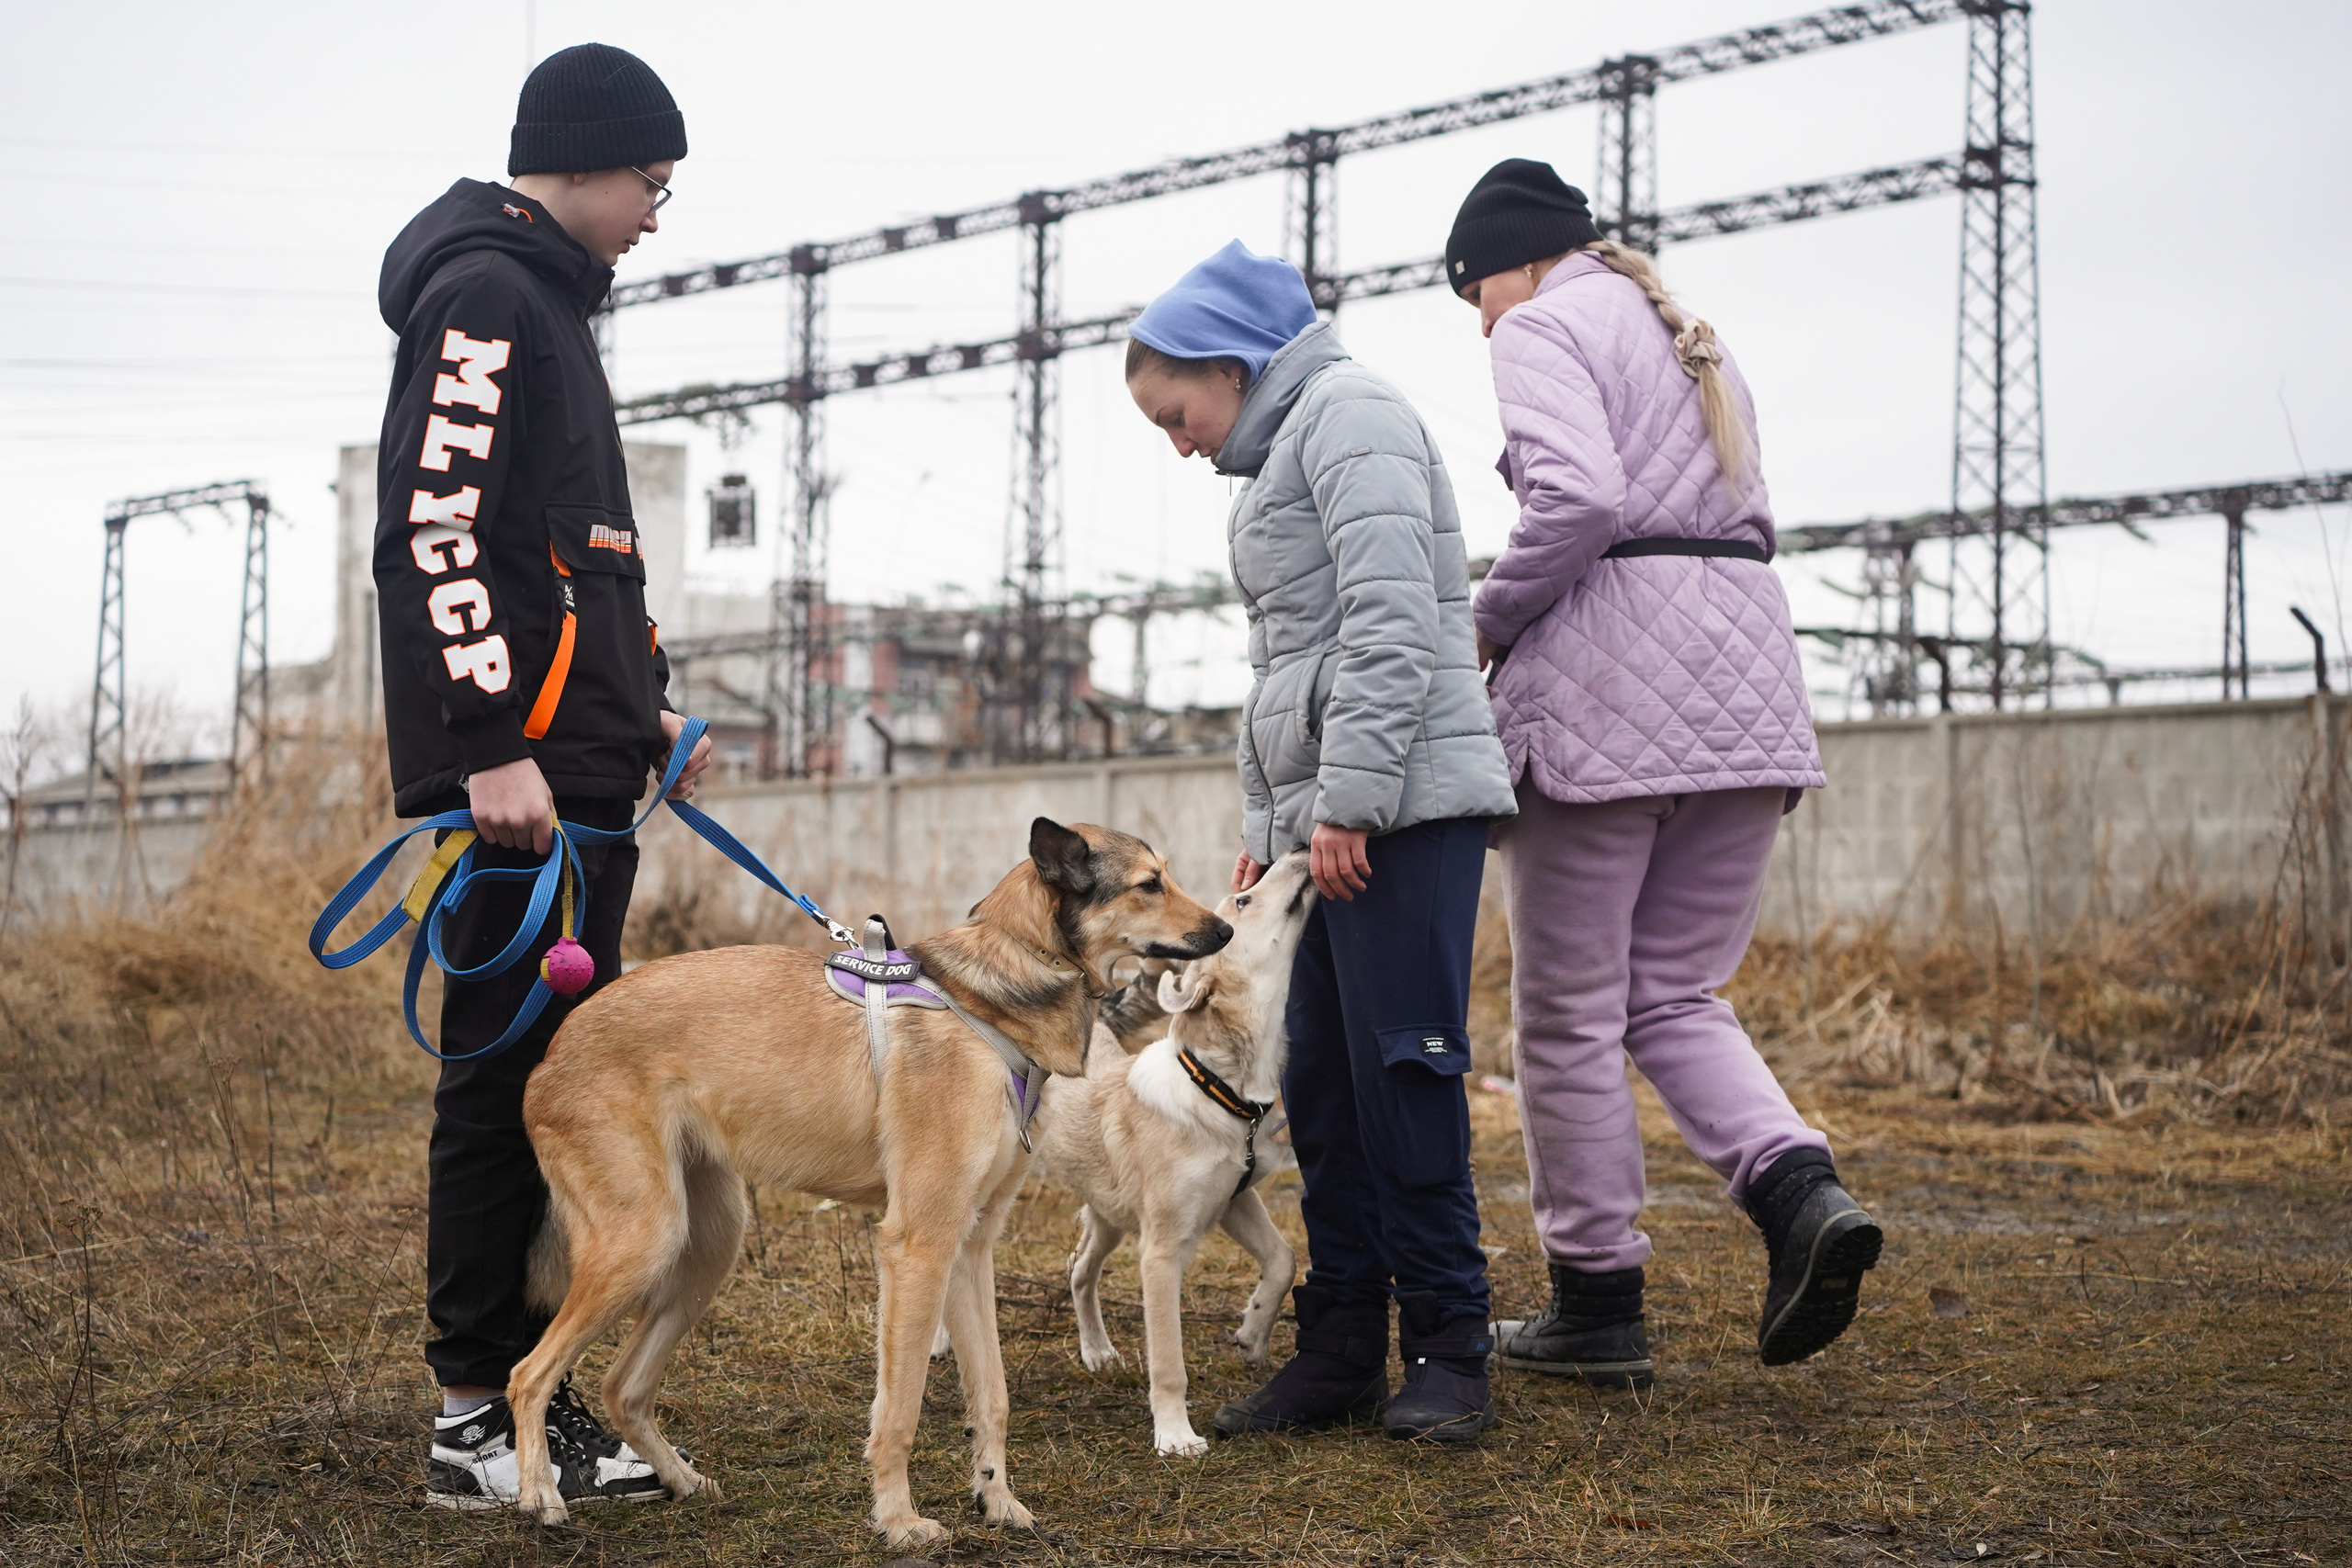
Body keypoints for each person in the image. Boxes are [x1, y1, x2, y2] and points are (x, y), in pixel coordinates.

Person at [1442, 159, 1883, 1387]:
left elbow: (1577, 499)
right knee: (1679, 994)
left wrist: (1489, 620)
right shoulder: (1691, 337)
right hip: (1749, 686)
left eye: (1471, 292)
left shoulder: (1538, 325)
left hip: (1606, 695)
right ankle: (1803, 1197)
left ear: (1510, 264)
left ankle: (1596, 1302)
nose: (1480, 320)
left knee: (1570, 1014)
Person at [373, 42, 712, 1509]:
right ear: (578, 157)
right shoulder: (487, 297)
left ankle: (531, 1399)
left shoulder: (556, 311)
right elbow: (438, 532)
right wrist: (490, 742)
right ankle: (469, 1415)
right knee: (501, 1083)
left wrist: (645, 713)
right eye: (652, 181)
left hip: (582, 775)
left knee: (561, 1089)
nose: (656, 211)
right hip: (518, 786)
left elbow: (575, 556)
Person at [1125, 242, 1520, 1443]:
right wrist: (1271, 834)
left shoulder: (1354, 419)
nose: (1179, 440)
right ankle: (1341, 1346)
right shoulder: (1285, 455)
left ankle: (1450, 1351)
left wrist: (1348, 801)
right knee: (1322, 1091)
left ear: (1230, 365)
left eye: (1175, 412)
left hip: (1400, 813)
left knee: (1404, 1075)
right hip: (1331, 826)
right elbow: (1287, 673)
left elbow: (1397, 619)